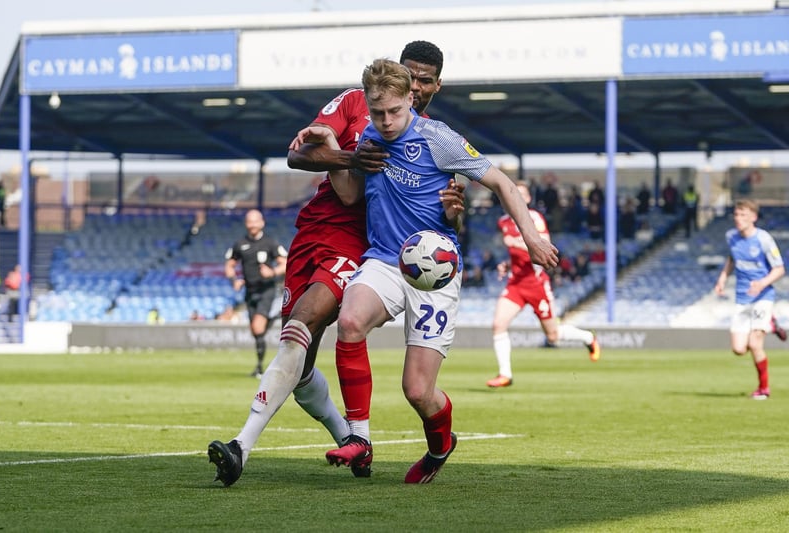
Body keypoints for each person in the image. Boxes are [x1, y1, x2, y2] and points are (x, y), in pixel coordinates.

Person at [207, 40, 465, 486]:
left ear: (435, 87)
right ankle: (348, 435)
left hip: (364, 246)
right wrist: (351, 157)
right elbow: (298, 154)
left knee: (304, 328)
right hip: (312, 233)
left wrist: (456, 210)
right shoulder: (354, 102)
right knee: (301, 364)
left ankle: (240, 447)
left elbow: (444, 220)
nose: (416, 86)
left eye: (425, 81)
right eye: (409, 75)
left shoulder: (434, 139)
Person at [304, 58, 558, 483]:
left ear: (410, 100)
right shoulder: (368, 137)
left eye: (394, 112)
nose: (385, 121)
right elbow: (349, 197)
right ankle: (360, 439)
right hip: (385, 258)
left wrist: (531, 237)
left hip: (434, 270)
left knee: (418, 391)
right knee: (349, 321)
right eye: (377, 112)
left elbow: (502, 184)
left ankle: (441, 446)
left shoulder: (439, 139)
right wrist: (334, 148)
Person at [486, 182, 599, 388]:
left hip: (536, 283)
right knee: (498, 325)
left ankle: (588, 338)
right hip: (516, 283)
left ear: (528, 199)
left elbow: (543, 247)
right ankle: (505, 374)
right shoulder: (503, 222)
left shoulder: (534, 218)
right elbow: (517, 254)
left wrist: (521, 243)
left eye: (521, 195)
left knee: (553, 335)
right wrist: (507, 264)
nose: (515, 198)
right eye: (512, 194)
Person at [713, 200, 785, 400]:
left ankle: (764, 388)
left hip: (763, 297)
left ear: (753, 217)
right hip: (742, 299)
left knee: (755, 343)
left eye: (743, 215)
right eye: (736, 215)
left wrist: (762, 283)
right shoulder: (732, 237)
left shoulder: (764, 239)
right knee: (738, 349)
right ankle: (771, 323)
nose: (738, 218)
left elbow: (779, 269)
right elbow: (732, 259)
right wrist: (722, 278)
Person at [224, 209, 288, 378]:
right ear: (246, 223)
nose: (252, 225)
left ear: (262, 223)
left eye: (255, 221)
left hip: (266, 289)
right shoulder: (239, 244)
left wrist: (272, 272)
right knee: (256, 331)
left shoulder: (270, 243)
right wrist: (234, 281)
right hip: (249, 291)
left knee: (257, 327)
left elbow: (285, 263)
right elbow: (229, 265)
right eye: (249, 221)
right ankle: (273, 318)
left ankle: (260, 369)